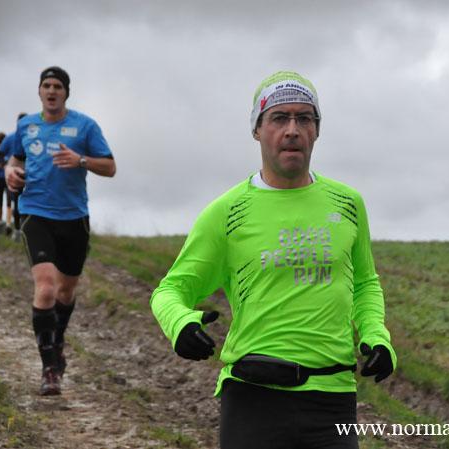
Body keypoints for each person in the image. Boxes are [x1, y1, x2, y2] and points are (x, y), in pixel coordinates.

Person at [151, 71, 396, 449]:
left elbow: (364, 283)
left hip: (333, 398)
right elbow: (171, 290)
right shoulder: (226, 212)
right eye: (279, 118)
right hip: (254, 398)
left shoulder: (348, 204)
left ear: (317, 130)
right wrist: (180, 324)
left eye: (304, 118)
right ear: (257, 129)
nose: (292, 130)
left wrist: (376, 335)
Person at [5, 66, 116, 396]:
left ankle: (58, 340)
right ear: (39, 91)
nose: (52, 91)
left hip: (74, 218)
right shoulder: (26, 126)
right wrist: (12, 172)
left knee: (66, 292)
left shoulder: (85, 126)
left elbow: (110, 166)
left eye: (57, 86)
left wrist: (81, 160)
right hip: (35, 212)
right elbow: (15, 160)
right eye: (46, 85)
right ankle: (50, 367)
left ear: (66, 92)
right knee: (46, 288)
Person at [0, 114, 28, 239]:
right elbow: (0, 154)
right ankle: (17, 230)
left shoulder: (34, 137)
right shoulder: (11, 138)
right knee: (16, 202)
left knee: (21, 202)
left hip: (32, 175)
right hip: (16, 174)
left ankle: (20, 229)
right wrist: (7, 166)